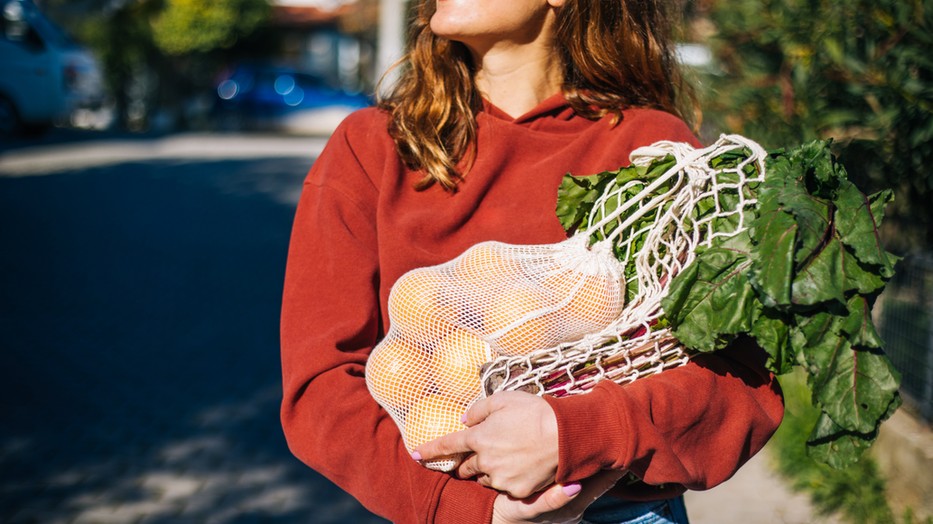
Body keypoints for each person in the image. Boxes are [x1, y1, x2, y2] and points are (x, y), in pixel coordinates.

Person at [279, 0, 785, 522]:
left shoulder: (652, 151)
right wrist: (474, 511)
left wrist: (576, 434)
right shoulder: (371, 148)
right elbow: (319, 388)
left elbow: (735, 380)